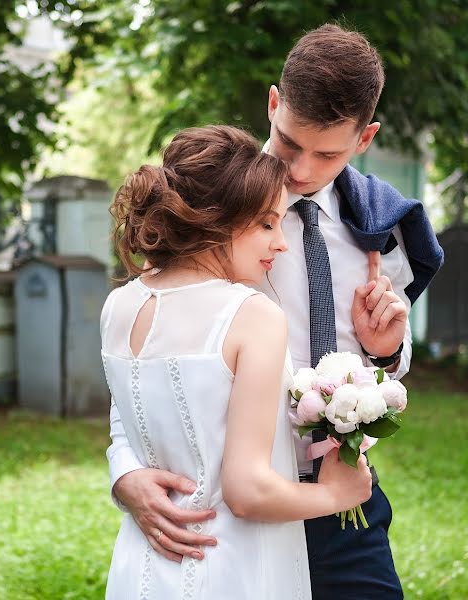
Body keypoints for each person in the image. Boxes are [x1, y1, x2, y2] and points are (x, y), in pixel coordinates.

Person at [107, 24, 444, 599]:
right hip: (230, 520)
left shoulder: (382, 230)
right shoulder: (210, 206)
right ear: (272, 105)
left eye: (328, 153)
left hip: (340, 501)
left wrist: (384, 348)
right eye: (289, 144)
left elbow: (388, 367)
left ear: (366, 139)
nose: (302, 171)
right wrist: (124, 474)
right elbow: (146, 363)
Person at [101, 124, 373, 599]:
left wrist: (123, 476)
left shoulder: (119, 307)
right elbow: (246, 492)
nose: (281, 242)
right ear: (218, 220)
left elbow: (128, 425)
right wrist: (336, 495)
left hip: (143, 566)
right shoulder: (251, 316)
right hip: (233, 568)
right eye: (267, 224)